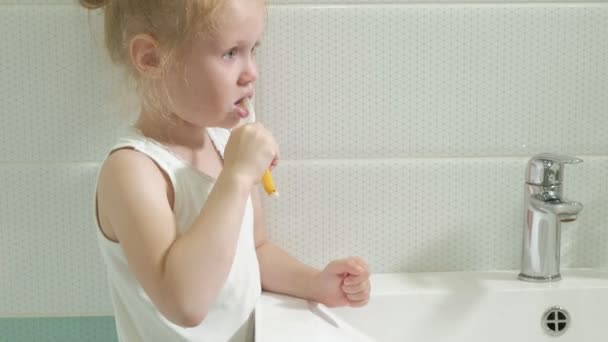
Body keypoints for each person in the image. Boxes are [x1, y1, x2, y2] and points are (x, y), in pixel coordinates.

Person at [81, 0, 371, 341]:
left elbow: (256, 250)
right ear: (151, 58)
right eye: (231, 53)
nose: (252, 73)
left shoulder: (223, 146)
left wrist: (313, 283)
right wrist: (236, 177)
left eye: (253, 50)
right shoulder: (132, 172)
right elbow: (184, 303)